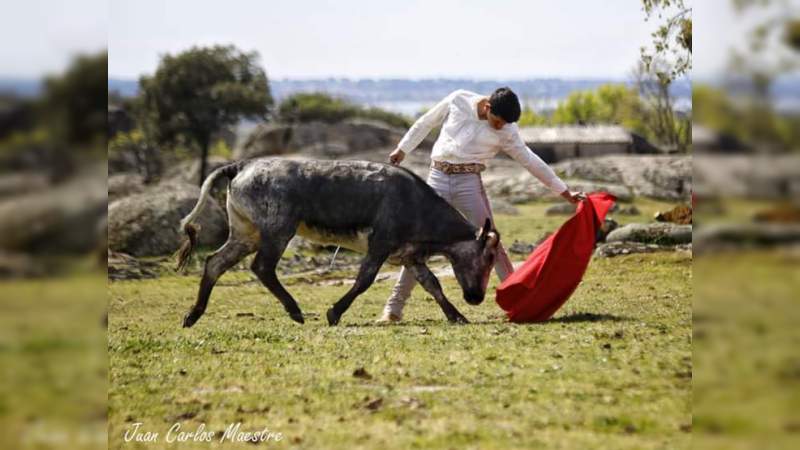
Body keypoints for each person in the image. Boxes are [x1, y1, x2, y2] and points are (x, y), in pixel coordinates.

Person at [377, 87, 584, 323]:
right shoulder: (458, 99)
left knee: (491, 241)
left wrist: (564, 191)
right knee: (418, 244)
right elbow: (426, 122)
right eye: (497, 122)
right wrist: (403, 149)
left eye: (504, 124)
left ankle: (519, 302)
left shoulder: (507, 130)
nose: (500, 127)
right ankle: (393, 309)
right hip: (437, 178)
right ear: (487, 107)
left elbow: (530, 160)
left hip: (468, 183)